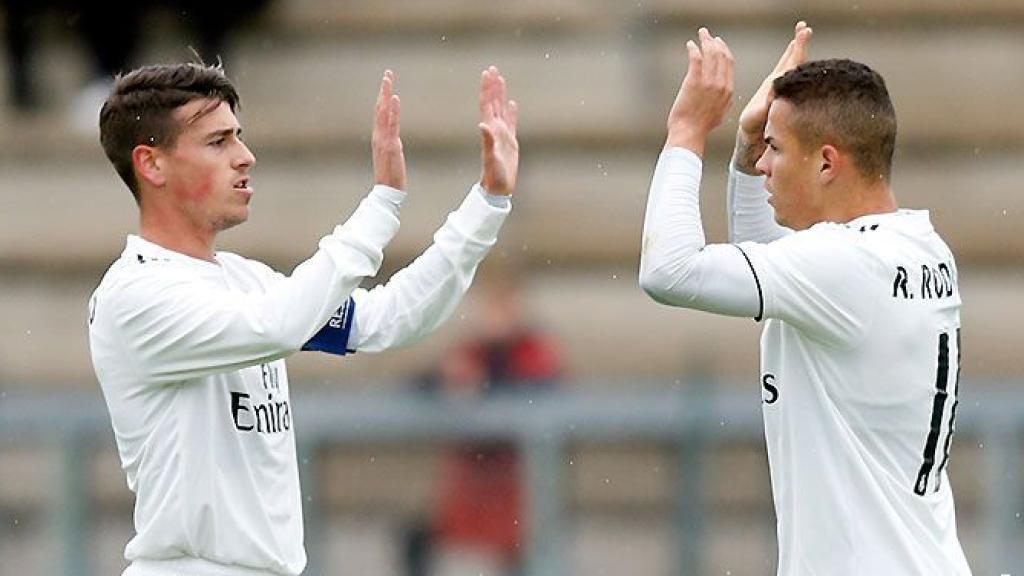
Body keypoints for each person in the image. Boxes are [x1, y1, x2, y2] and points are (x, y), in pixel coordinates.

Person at [87, 61, 519, 576]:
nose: (245, 156)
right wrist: (381, 206)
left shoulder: (245, 281)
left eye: (238, 137)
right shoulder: (135, 295)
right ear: (151, 165)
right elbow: (277, 325)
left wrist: (488, 203)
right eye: (218, 141)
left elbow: (389, 319)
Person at [638, 23, 971, 574]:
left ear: (826, 162)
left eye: (774, 149)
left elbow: (667, 270)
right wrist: (747, 148)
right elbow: (775, 265)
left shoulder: (844, 266)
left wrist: (687, 129)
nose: (764, 165)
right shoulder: (918, 246)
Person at [403, 274, 561, 576]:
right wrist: (446, 378)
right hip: (466, 490)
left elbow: (542, 387)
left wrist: (485, 382)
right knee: (416, 540)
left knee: (516, 552)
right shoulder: (469, 352)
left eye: (502, 308)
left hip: (512, 487)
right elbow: (419, 382)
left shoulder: (533, 351)